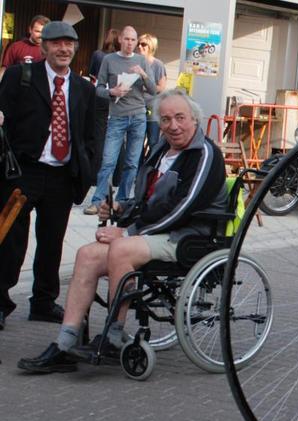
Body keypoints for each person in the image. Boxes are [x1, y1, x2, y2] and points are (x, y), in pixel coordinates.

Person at [16, 89, 228, 373]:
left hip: (188, 235)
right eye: (165, 120)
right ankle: (65, 343)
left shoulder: (204, 153)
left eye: (180, 118)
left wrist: (128, 232)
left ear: (194, 119)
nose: (173, 126)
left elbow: (185, 205)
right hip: (155, 232)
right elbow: (146, 200)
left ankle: (114, 334)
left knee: (120, 248)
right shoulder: (161, 151)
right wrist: (120, 210)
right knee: (87, 254)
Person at [0, 21, 97, 334]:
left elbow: (90, 133)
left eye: (69, 43)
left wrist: (87, 169)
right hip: (23, 172)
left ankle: (43, 302)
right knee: (10, 240)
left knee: (52, 241)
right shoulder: (20, 77)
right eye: (56, 43)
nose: (63, 49)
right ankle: (1, 302)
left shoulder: (84, 88)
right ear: (44, 47)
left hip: (61, 175)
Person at [86, 26, 158, 214]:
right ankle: (98, 200)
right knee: (108, 160)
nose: (130, 43)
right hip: (117, 115)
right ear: (120, 40)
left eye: (133, 40)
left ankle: (122, 201)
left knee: (132, 162)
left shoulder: (142, 60)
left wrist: (142, 73)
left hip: (138, 115)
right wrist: (112, 91)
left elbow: (152, 89)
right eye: (127, 39)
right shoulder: (109, 60)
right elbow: (98, 88)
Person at [137, 33, 168, 163]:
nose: (140, 46)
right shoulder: (134, 62)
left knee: (153, 140)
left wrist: (147, 87)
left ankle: (150, 168)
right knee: (136, 141)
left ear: (151, 46)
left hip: (152, 107)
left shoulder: (158, 64)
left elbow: (162, 86)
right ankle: (136, 173)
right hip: (136, 106)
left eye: (143, 44)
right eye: (139, 43)